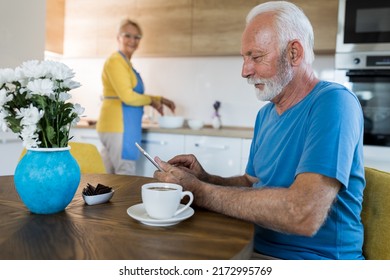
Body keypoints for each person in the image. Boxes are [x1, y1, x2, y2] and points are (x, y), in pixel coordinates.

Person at [153, 1, 365, 260]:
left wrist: (200, 191)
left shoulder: (334, 103)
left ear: (294, 53)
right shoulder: (265, 115)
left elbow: (304, 213)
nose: (245, 71)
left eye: (256, 56)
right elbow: (251, 183)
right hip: (251, 247)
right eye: (244, 57)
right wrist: (205, 178)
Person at [96, 19, 176, 175]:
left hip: (118, 127)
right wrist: (152, 101)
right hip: (118, 127)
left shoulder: (125, 63)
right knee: (125, 174)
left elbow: (135, 94)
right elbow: (128, 96)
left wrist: (159, 99)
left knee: (109, 178)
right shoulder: (115, 61)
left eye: (137, 37)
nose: (133, 40)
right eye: (128, 35)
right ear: (118, 37)